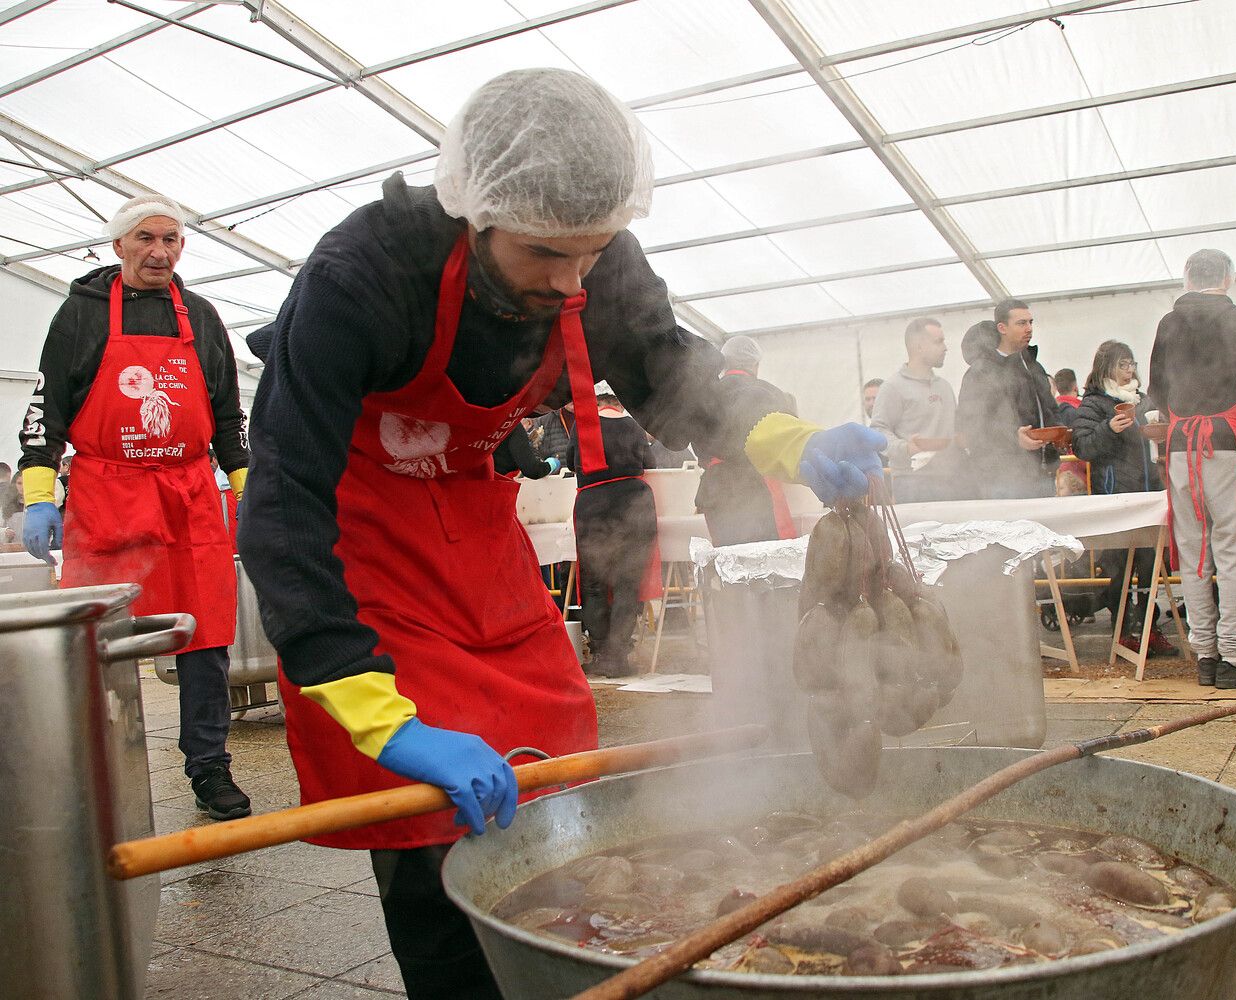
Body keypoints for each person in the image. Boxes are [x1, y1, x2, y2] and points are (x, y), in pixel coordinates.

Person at [238, 68, 885, 999]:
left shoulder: (596, 255)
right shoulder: (362, 275)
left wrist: (793, 438)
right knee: (429, 834)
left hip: (480, 540)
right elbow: (285, 498)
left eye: (592, 253)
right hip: (361, 548)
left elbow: (671, 370)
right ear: (476, 208)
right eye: (546, 255)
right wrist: (384, 718)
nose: (573, 281)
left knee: (560, 777)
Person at [19, 195, 250, 819]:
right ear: (119, 245)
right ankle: (88, 768)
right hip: (107, 494)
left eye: (172, 239)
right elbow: (45, 417)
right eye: (146, 239)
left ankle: (209, 767)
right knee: (96, 640)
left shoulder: (200, 316)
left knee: (204, 639)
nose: (160, 251)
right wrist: (39, 497)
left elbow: (229, 415)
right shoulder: (80, 316)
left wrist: (244, 486)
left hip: (190, 496)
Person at [1147, 249, 1236, 689]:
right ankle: (1232, 655)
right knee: (1230, 549)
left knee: (1192, 549)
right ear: (1227, 277)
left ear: (1187, 279)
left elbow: (1156, 391)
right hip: (1226, 443)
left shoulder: (1169, 323)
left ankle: (1204, 654)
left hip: (1182, 445)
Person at [1070, 341, 1177, 658]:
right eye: (1122, 365)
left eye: (1131, 364)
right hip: (1114, 497)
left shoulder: (1144, 402)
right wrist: (1108, 428)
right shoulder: (1093, 404)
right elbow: (1082, 446)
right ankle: (1122, 630)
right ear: (1106, 368)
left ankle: (1149, 628)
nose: (1129, 370)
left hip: (1148, 493)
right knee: (1118, 567)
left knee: (1149, 566)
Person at [569, 383, 657, 678]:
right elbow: (651, 464)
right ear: (618, 401)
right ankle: (619, 657)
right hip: (634, 507)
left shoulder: (582, 427)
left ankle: (601, 653)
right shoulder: (633, 427)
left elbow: (570, 463)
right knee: (626, 583)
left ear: (595, 401)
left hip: (593, 508)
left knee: (594, 585)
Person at [693, 335, 800, 545]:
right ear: (756, 364)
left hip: (714, 489)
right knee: (764, 558)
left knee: (728, 560)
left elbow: (693, 439)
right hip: (755, 485)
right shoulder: (770, 393)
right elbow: (789, 438)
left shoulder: (703, 395)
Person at [957, 299, 1063, 498]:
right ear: (1002, 328)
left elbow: (1050, 408)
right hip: (1002, 480)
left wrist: (1059, 431)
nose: (1029, 329)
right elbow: (971, 427)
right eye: (1021, 323)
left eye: (1031, 322)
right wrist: (1014, 439)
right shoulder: (980, 372)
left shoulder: (1034, 367)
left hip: (1042, 475)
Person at [869, 317, 956, 472]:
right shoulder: (893, 387)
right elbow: (878, 430)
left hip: (949, 476)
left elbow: (953, 429)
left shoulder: (944, 387)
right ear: (919, 347)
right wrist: (906, 448)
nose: (945, 348)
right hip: (911, 479)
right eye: (939, 342)